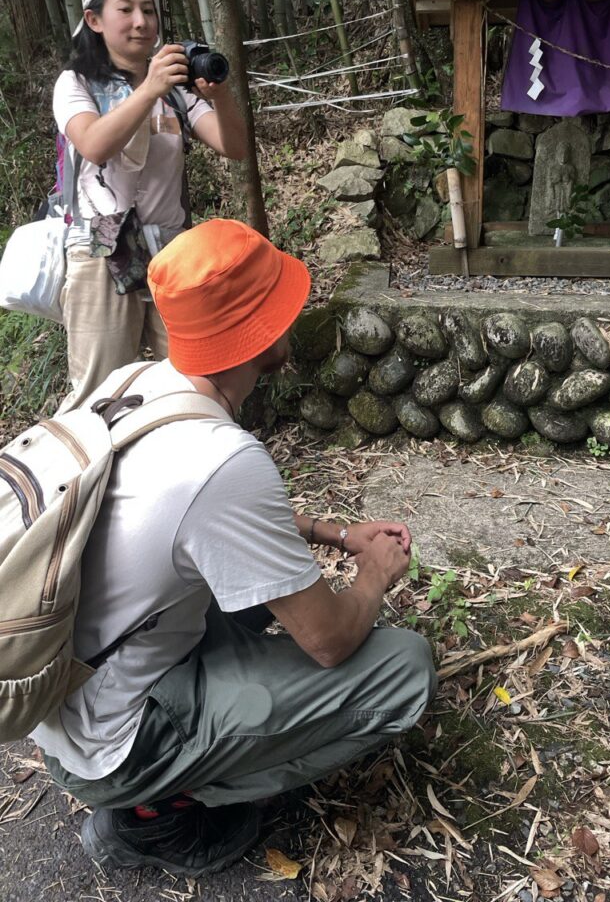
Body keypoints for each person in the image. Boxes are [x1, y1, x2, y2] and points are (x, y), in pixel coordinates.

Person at [32, 218, 436, 877]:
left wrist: (333, 534)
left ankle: (165, 774)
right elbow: (329, 641)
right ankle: (156, 814)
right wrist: (373, 573)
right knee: (403, 667)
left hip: (67, 698)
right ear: (263, 331)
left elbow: (210, 518)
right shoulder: (223, 459)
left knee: (274, 603)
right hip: (116, 746)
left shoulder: (132, 383)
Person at [54, 0, 248, 412]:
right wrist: (148, 89)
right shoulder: (75, 83)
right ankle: (86, 478)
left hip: (172, 253)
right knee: (97, 392)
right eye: (126, 9)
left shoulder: (176, 90)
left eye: (148, 9)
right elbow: (95, 144)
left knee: (193, 377)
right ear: (94, 19)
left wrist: (218, 97)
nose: (142, 21)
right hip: (102, 253)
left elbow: (233, 146)